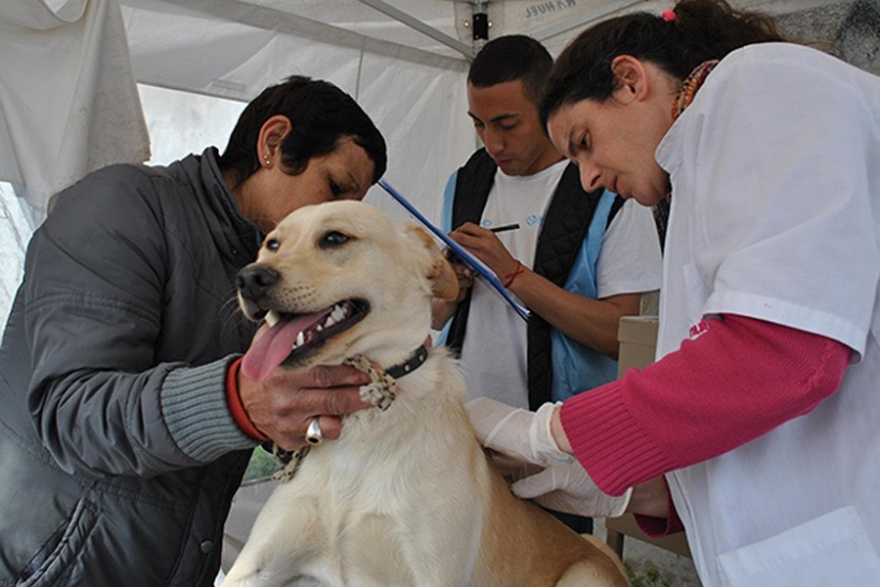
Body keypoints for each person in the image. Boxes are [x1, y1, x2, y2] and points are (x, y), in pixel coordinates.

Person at [466, 1, 880, 585]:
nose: (587, 178)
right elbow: (745, 416)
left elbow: (781, 357)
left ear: (629, 80)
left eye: (584, 141)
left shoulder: (757, 83)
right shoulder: (698, 170)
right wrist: (633, 489)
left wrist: (555, 432)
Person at [0, 75, 387, 586]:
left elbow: (246, 420)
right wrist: (239, 403)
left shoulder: (265, 269)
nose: (336, 221)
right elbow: (74, 413)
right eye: (334, 188)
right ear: (273, 143)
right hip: (51, 569)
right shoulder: (120, 205)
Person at [434, 34, 661, 414]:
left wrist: (513, 274)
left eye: (507, 124)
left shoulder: (610, 185)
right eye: (479, 125)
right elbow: (435, 315)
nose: (492, 143)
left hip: (561, 425)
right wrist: (448, 288)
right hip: (461, 415)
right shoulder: (464, 182)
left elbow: (619, 335)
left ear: (546, 106)